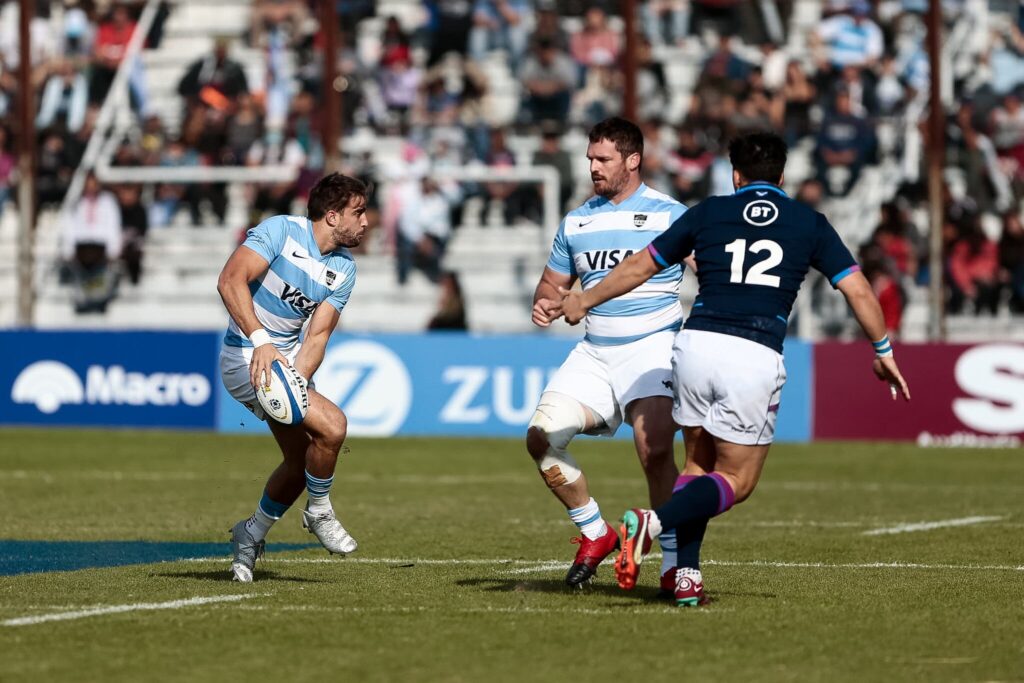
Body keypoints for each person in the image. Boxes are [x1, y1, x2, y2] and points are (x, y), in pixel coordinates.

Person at [557, 132, 910, 606]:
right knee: (737, 482)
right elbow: (858, 289)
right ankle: (653, 523)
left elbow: (641, 266)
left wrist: (584, 297)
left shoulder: (707, 212)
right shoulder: (809, 222)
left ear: (735, 175)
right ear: (783, 176)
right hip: (753, 350)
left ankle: (687, 576)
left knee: (697, 465)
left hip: (695, 345)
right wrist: (882, 349)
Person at [528, 117, 688, 593]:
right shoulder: (576, 220)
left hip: (654, 345)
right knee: (541, 437)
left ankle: (676, 563)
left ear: (633, 160)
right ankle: (596, 533)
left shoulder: (670, 214)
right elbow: (553, 284)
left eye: (603, 159)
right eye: (590, 159)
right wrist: (544, 302)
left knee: (654, 450)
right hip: (596, 351)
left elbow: (710, 268)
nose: (593, 167)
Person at [217, 173, 370, 583]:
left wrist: (295, 382)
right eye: (359, 212)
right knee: (334, 426)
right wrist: (262, 340)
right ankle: (319, 512)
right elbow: (230, 280)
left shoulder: (343, 269)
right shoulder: (280, 232)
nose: (366, 222)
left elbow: (317, 337)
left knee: (302, 460)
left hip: (281, 364)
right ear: (333, 216)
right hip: (245, 356)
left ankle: (250, 535)